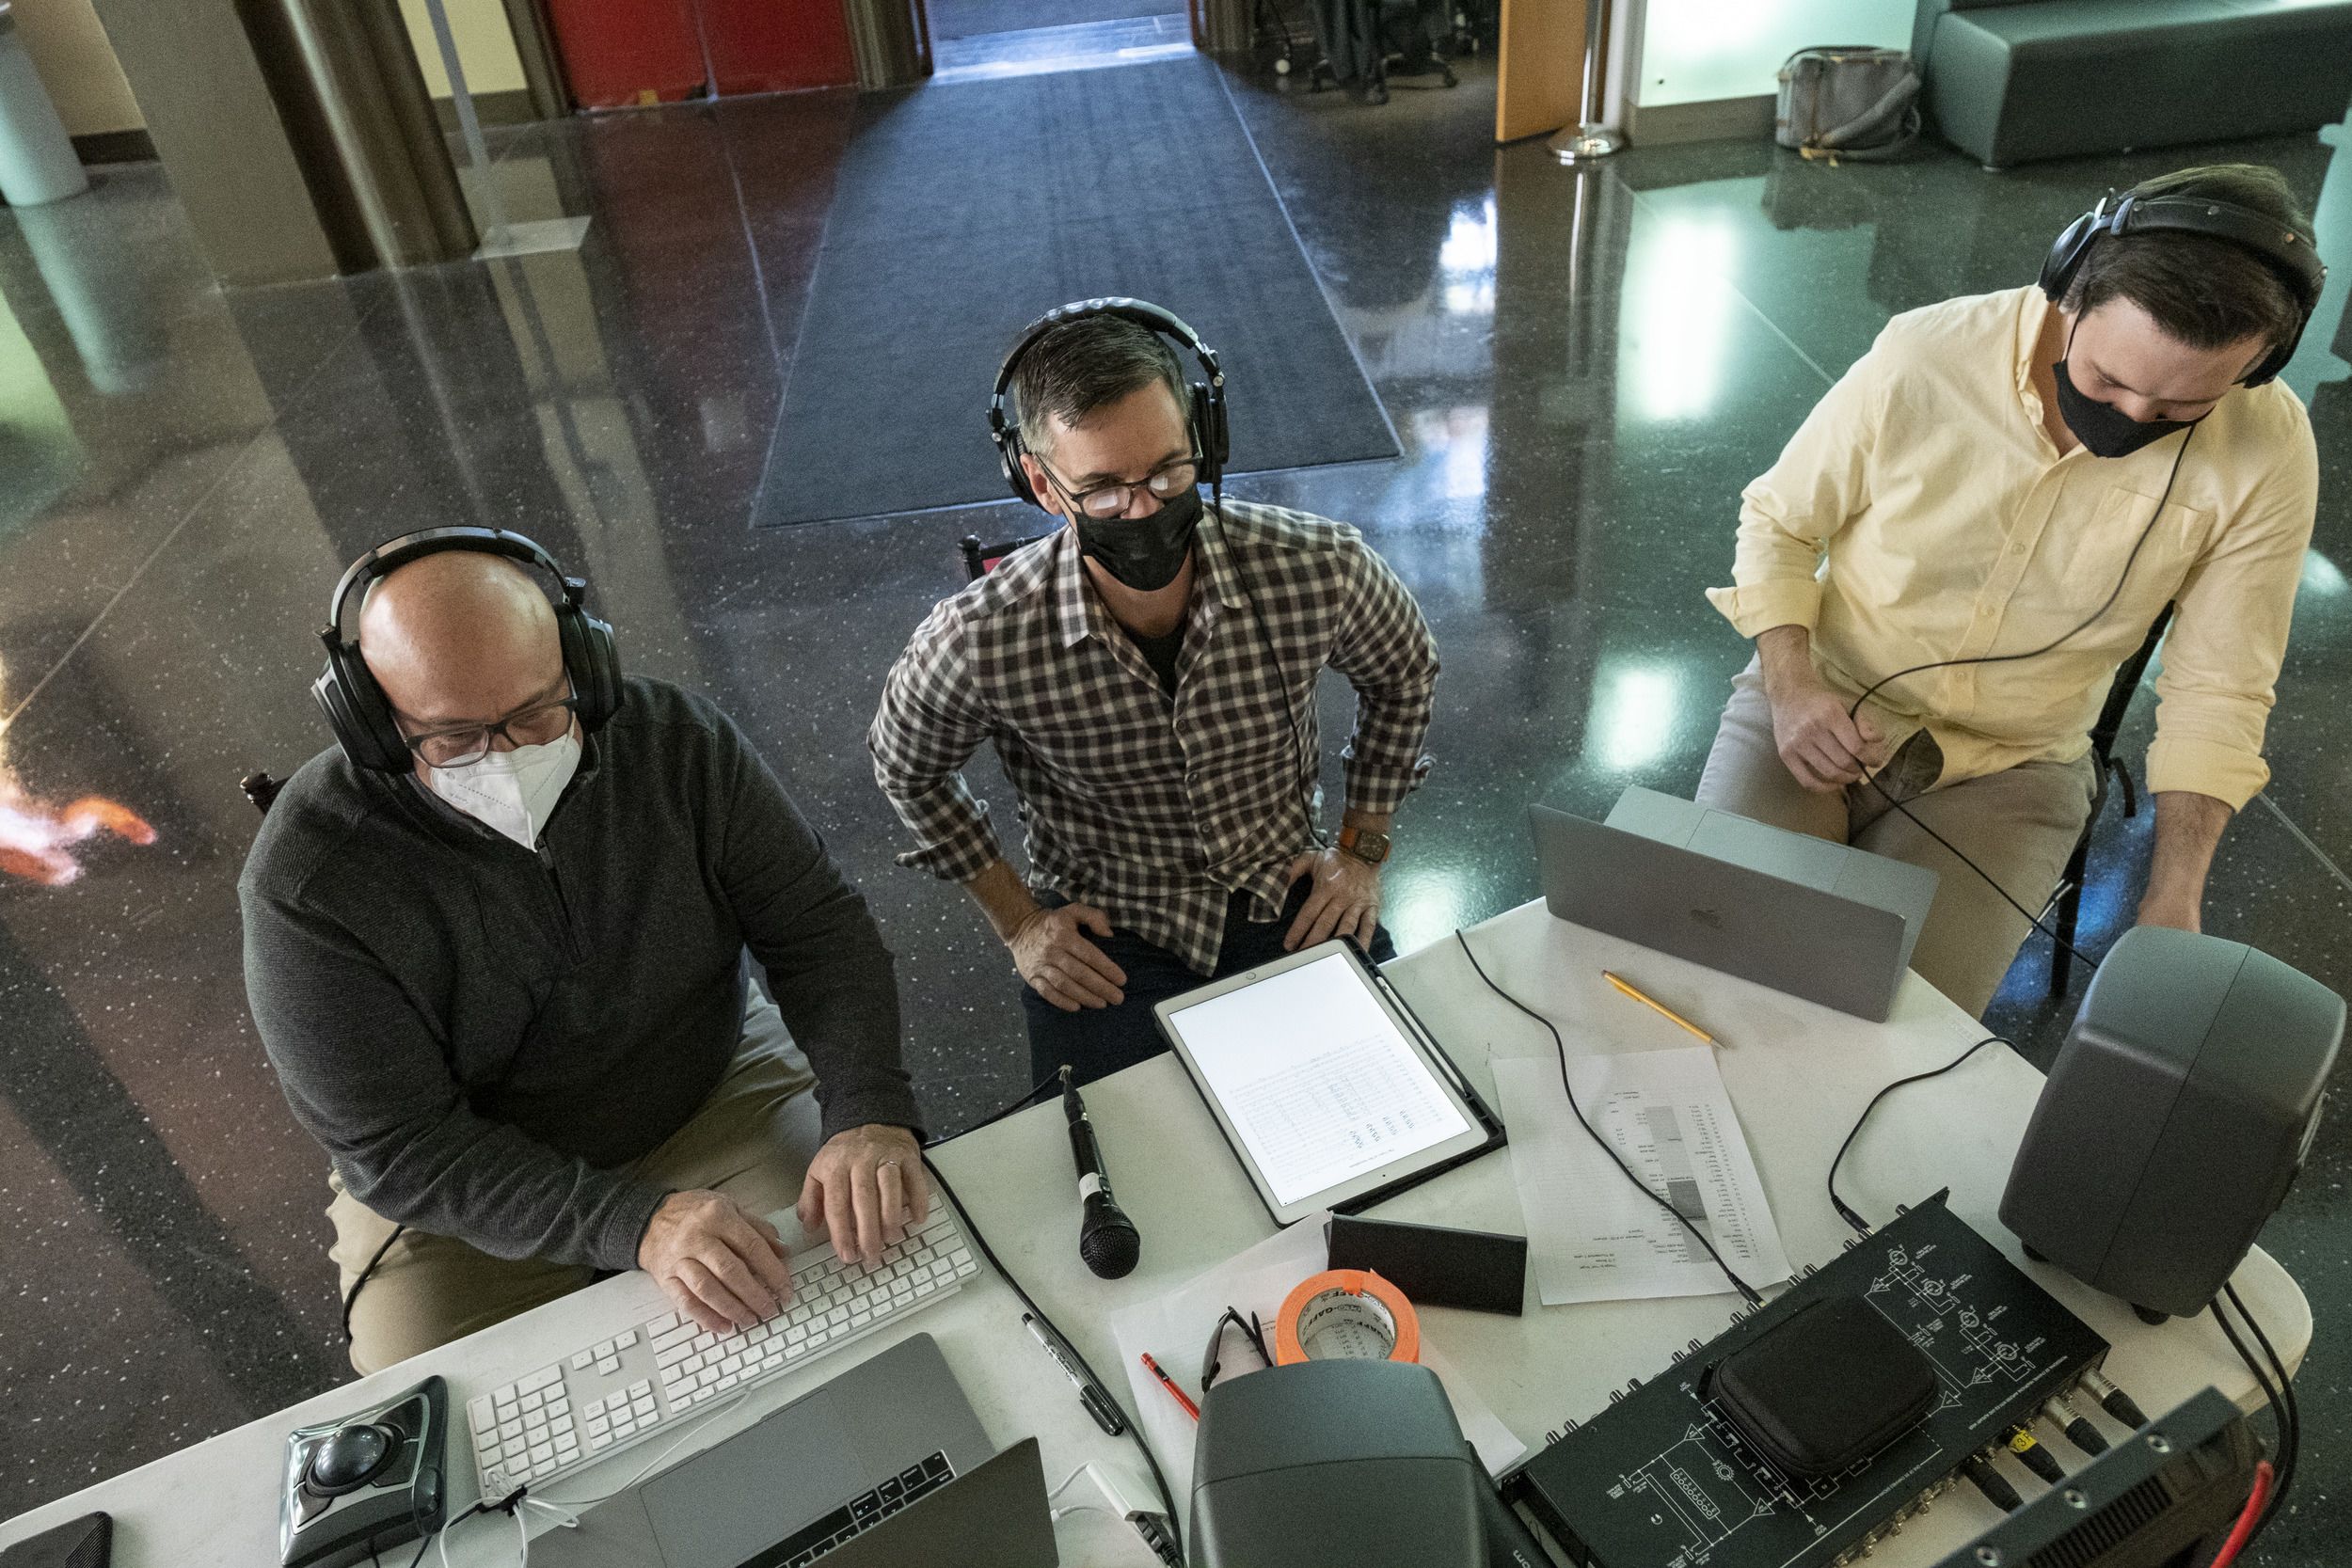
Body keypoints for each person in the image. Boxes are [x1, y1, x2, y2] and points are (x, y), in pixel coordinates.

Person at [241, 531, 927, 1373]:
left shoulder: (679, 744)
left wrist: (866, 1104)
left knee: (856, 1298)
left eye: (539, 712)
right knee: (449, 1413)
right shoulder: (308, 881)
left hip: (706, 1087)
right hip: (461, 1184)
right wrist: (629, 1222)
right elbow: (399, 1145)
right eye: (451, 739)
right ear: (375, 727)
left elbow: (817, 927)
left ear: (585, 670)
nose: (509, 758)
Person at [1696, 164, 2322, 1018]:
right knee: (1710, 965)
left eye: (2180, 412)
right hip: (1818, 705)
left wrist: (2170, 897)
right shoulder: (1926, 355)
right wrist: (1791, 684)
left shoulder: (2272, 448)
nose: (2132, 419)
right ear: (2071, 284)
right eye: (2105, 380)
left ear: (2257, 368)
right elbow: (1778, 522)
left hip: (2016, 767)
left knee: (1897, 1034)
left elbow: (2222, 685)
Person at [869, 303, 1438, 1085]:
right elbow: (906, 767)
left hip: (1286, 895)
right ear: (1039, 481)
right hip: (1112, 933)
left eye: (1170, 471)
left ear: (1204, 440)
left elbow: (1404, 670)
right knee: (1127, 1182)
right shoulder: (978, 637)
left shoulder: (1319, 567)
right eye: (1102, 489)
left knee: (1400, 1120)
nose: (1144, 508)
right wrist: (1021, 922)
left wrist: (1363, 850)